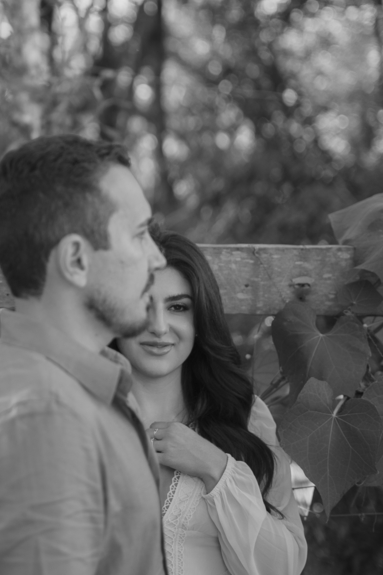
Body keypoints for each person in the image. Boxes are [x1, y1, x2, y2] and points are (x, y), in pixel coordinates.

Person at [0, 134, 169, 575]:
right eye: (140, 236)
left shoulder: (63, 391)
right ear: (76, 260)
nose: (157, 259)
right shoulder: (43, 418)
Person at [116, 227, 308, 575]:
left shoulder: (245, 417)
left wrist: (216, 468)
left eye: (177, 307)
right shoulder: (76, 415)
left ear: (199, 319)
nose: (159, 326)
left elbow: (283, 568)